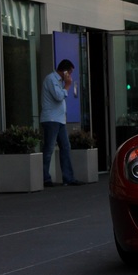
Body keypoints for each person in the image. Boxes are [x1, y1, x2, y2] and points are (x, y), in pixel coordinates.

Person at [40, 59, 83, 187]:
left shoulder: (58, 81)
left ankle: (68, 177)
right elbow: (58, 96)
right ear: (64, 71)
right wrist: (68, 86)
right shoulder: (51, 79)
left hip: (59, 120)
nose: (70, 76)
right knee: (49, 148)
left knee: (65, 146)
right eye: (69, 72)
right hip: (51, 119)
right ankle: (44, 178)